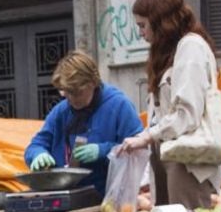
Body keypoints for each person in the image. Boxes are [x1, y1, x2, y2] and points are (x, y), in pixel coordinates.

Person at [119, 0, 221, 208]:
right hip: (167, 152)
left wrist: (147, 136)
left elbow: (187, 113)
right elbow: (162, 114)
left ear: (161, 21)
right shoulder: (169, 53)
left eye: (143, 25)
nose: (141, 33)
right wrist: (146, 138)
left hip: (186, 158)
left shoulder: (191, 47)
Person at [24, 51, 143, 196]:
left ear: (93, 82)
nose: (72, 99)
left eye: (77, 93)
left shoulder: (119, 106)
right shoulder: (61, 112)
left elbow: (139, 151)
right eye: (67, 93)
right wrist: (37, 154)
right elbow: (35, 145)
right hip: (68, 194)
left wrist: (104, 151)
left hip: (110, 197)